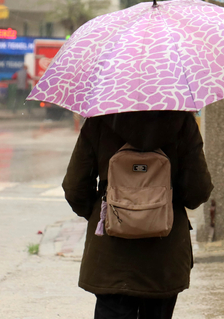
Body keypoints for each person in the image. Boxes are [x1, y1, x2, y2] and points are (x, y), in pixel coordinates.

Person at [63, 111, 213, 319]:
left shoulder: (100, 120)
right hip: (164, 255)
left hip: (111, 255)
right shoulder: (181, 121)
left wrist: (104, 212)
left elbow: (74, 188)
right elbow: (197, 191)